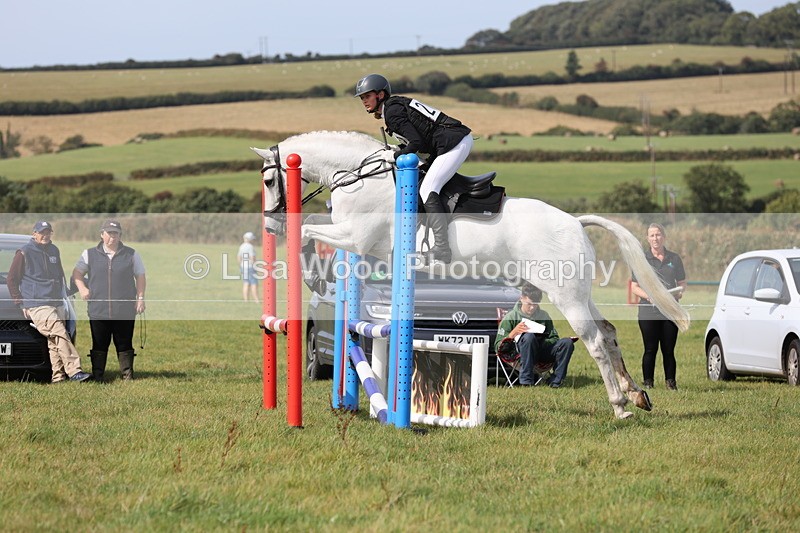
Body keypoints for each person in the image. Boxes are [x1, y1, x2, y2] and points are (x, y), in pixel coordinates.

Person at [354, 73, 473, 264]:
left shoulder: (392, 112)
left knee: (428, 188)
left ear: (381, 95)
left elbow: (416, 142)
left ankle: (442, 248)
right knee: (422, 181)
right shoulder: (393, 107)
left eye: (367, 96)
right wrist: (399, 150)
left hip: (454, 143)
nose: (364, 101)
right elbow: (417, 141)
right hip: (446, 143)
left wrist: (394, 155)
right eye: (362, 98)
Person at [6, 221, 92, 383]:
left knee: (54, 340)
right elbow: (11, 279)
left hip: (56, 301)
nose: (45, 235)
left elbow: (59, 276)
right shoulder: (24, 252)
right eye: (42, 232)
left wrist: (65, 293)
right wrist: (21, 303)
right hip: (37, 303)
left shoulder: (54, 250)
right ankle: (75, 371)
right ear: (34, 234)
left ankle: (58, 377)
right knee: (60, 333)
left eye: (48, 232)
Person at [72, 220, 146, 381]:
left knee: (124, 343)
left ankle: (127, 375)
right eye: (109, 233)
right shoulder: (89, 254)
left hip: (124, 309)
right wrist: (83, 289)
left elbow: (140, 276)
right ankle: (98, 376)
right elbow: (77, 274)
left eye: (116, 233)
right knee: (99, 343)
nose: (112, 236)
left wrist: (140, 298)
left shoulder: (131, 254)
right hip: (98, 309)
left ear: (120, 235)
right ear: (102, 234)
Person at [629, 223, 686, 391]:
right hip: (648, 310)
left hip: (670, 310)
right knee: (650, 349)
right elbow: (634, 286)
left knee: (668, 350)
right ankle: (648, 383)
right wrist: (649, 296)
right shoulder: (642, 259)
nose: (655, 238)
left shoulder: (674, 259)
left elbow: (682, 284)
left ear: (664, 237)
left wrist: (678, 293)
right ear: (648, 239)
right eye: (652, 235)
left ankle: (671, 383)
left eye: (658, 235)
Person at [494, 282, 575, 388]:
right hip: (519, 354)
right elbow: (497, 346)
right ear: (521, 298)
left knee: (567, 343)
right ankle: (526, 382)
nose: (532, 308)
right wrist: (513, 334)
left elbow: (554, 338)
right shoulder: (510, 317)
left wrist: (542, 340)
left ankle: (556, 381)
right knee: (529, 337)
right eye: (529, 304)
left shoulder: (544, 316)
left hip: (542, 350)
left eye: (535, 304)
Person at [238, 231, 259, 302]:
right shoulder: (250, 247)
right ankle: (256, 300)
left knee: (246, 283)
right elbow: (252, 257)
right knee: (254, 283)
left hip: (243, 266)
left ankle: (246, 300)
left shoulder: (241, 246)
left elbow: (239, 257)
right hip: (250, 267)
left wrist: (241, 265)